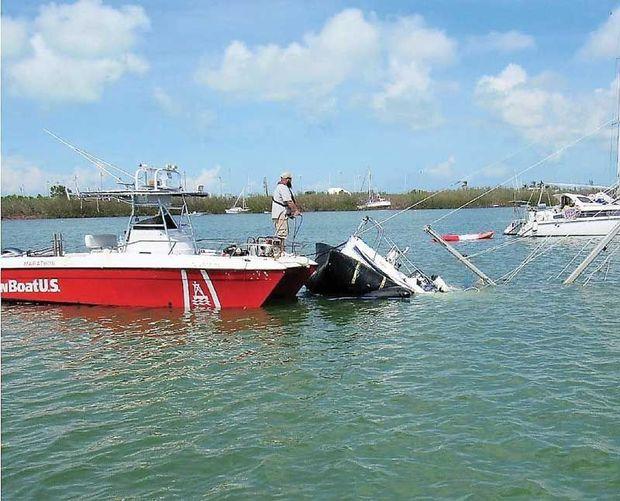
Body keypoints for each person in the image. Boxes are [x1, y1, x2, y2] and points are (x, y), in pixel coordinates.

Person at [271, 172, 301, 245]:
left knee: (281, 232)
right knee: (282, 233)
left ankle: (281, 251)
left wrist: (290, 213)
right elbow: (289, 201)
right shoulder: (283, 188)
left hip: (279, 213)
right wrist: (296, 210)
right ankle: (280, 252)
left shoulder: (279, 187)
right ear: (288, 180)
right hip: (280, 214)